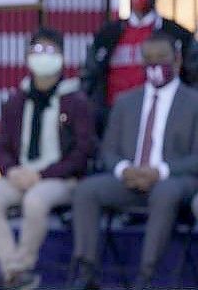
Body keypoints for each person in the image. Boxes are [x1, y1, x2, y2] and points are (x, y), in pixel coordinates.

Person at [69, 31, 198, 290]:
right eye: (148, 59)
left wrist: (159, 171)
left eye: (161, 58)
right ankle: (86, 273)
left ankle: (145, 276)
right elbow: (107, 151)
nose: (155, 65)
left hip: (174, 181)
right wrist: (124, 169)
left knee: (164, 192)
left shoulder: (193, 102)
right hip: (129, 180)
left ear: (177, 59)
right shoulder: (125, 101)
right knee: (86, 191)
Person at [0, 28, 96, 290]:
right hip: (21, 174)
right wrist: (12, 171)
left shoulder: (75, 100)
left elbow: (82, 151)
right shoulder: (16, 100)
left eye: (50, 51)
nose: (43, 57)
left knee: (35, 201)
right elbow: (3, 146)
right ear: (28, 56)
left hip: (60, 178)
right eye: (37, 51)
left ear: (62, 57)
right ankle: (13, 270)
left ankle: (23, 265)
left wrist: (43, 175)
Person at [81, 0, 197, 135]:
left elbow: (194, 75)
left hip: (164, 119)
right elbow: (89, 76)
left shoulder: (178, 35)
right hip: (113, 119)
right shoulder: (107, 35)